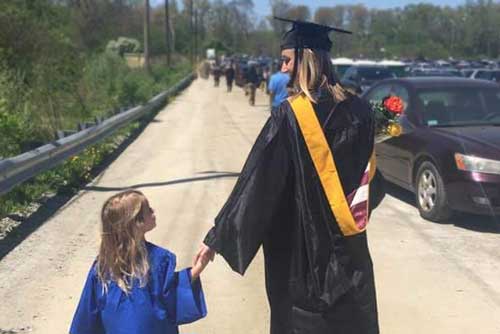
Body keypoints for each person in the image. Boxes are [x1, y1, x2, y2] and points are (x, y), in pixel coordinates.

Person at [195, 17, 385, 334]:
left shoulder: (291, 115)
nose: (282, 69)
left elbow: (258, 186)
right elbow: (373, 188)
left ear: (306, 57)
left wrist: (218, 236)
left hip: (301, 256)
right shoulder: (362, 111)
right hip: (351, 255)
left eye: (286, 60)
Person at [70, 190, 208, 334]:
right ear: (137, 222)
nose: (153, 211)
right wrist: (197, 269)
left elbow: (86, 314)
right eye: (148, 210)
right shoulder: (158, 260)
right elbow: (172, 296)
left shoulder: (103, 267)